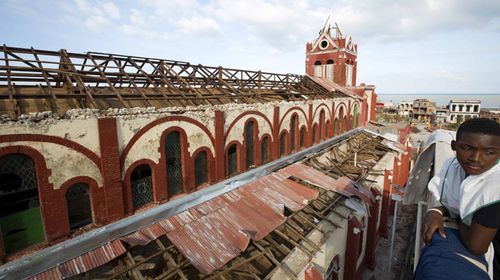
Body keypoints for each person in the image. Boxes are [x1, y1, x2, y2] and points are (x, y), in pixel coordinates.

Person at [415, 118, 500, 279]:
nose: (476, 158)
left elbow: (476, 246)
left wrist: (459, 217)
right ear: (454, 146)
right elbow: (451, 203)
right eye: (467, 148)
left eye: (489, 152)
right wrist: (436, 211)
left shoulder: (495, 186)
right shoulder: (454, 167)